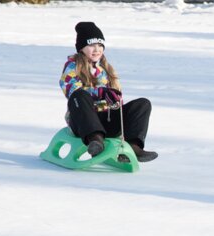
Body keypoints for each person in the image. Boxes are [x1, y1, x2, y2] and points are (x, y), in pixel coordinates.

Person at [59, 22, 158, 162]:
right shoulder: (72, 66)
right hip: (82, 122)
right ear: (81, 48)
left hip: (108, 119)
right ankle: (95, 140)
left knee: (143, 104)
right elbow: (71, 90)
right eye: (91, 45)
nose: (96, 49)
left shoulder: (106, 68)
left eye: (100, 45)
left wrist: (114, 98)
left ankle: (133, 146)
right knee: (79, 95)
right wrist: (99, 92)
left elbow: (116, 94)